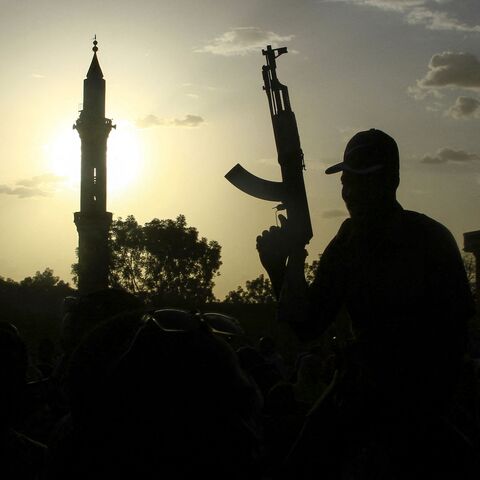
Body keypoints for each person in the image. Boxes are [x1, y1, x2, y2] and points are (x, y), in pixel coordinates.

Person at [256, 129, 477, 477]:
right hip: (358, 391)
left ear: (391, 181)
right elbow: (308, 325)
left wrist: (417, 402)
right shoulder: (347, 243)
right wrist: (279, 269)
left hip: (417, 400)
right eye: (346, 182)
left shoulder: (430, 240)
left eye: (362, 180)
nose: (350, 192)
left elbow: (455, 338)